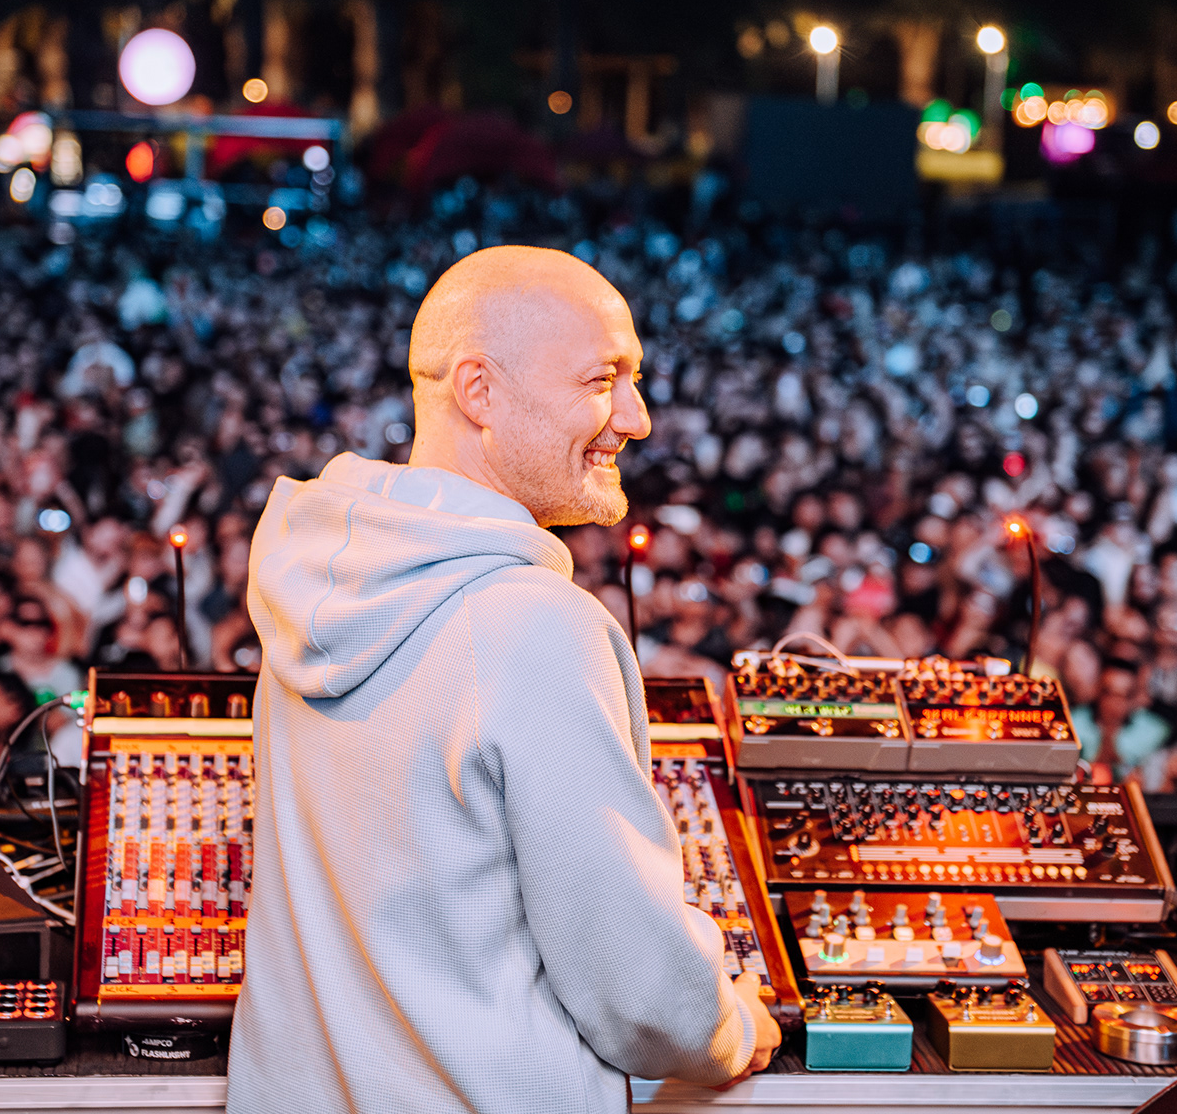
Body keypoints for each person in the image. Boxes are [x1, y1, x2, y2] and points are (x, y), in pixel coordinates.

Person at [226, 247, 778, 1114]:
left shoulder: (313, 585)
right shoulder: (534, 626)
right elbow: (637, 990)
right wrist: (728, 1024)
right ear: (479, 391)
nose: (635, 418)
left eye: (634, 381)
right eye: (602, 380)